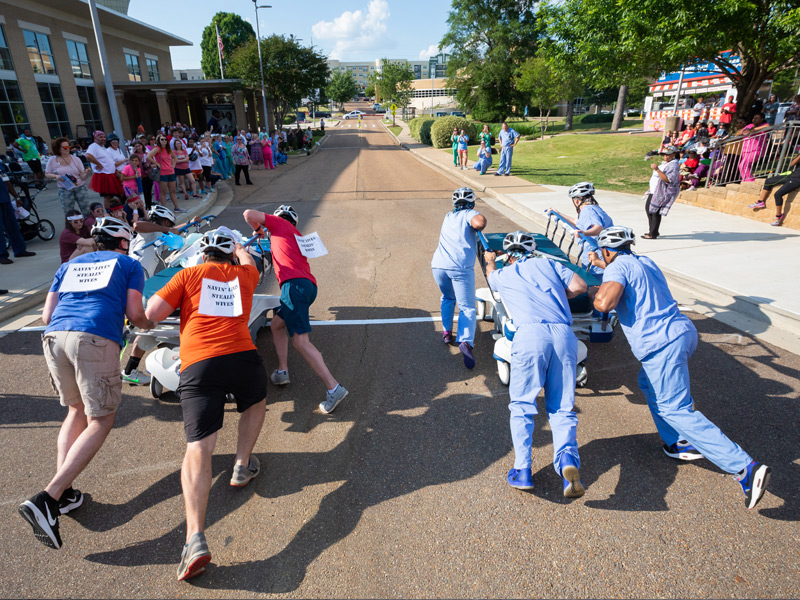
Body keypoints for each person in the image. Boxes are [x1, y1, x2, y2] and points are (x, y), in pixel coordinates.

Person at [592, 226, 771, 509]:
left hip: (661, 344)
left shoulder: (617, 269)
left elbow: (604, 303)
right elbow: (627, 273)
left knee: (675, 408)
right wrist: (606, 266)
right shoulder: (643, 262)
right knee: (648, 383)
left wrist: (600, 282)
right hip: (682, 332)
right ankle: (676, 442)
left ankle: (744, 468)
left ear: (605, 250)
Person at [18, 217, 154, 550]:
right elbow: (135, 313)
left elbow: (46, 316)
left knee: (75, 410)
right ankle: (48, 498)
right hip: (93, 338)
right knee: (101, 420)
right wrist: (148, 322)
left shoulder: (71, 264)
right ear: (124, 242)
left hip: (53, 337)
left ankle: (64, 494)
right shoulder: (128, 264)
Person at [143, 229, 267, 580]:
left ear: (204, 254)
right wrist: (241, 248)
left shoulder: (188, 274)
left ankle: (194, 537)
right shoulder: (246, 275)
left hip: (199, 361)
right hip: (242, 354)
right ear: (229, 255)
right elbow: (249, 260)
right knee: (255, 401)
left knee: (199, 447)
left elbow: (152, 312)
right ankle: (242, 464)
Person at [484, 231, 588, 496]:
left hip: (530, 335)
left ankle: (522, 470)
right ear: (533, 249)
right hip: (563, 336)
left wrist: (490, 261)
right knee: (563, 406)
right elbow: (579, 287)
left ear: (508, 254)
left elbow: (490, 279)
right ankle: (567, 461)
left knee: (522, 404)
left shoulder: (503, 274)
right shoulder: (550, 264)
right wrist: (557, 296)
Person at [243, 205, 349, 413]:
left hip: (294, 287)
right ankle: (283, 370)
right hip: (306, 286)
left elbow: (248, 214)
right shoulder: (295, 234)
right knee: (276, 324)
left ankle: (333, 388)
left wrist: (258, 230)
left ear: (278, 218)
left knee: (301, 342)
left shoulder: (278, 224)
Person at [430, 187, 487, 368]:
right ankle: (466, 341)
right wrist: (477, 217)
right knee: (467, 307)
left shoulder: (449, 216)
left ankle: (447, 332)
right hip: (460, 268)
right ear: (471, 203)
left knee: (447, 298)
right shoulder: (469, 213)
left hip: (439, 265)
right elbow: (479, 223)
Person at [546, 181, 613, 278]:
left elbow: (598, 228)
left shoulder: (587, 210)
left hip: (596, 261)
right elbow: (576, 222)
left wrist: (584, 233)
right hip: (603, 256)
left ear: (577, 200)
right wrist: (558, 213)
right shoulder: (594, 208)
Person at [748, 152, 800, 226]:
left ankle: (778, 216)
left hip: (797, 180)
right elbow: (791, 164)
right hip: (791, 175)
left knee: (778, 194)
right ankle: (761, 201)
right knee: (768, 181)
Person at [45, 137, 92, 216]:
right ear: (58, 149)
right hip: (64, 188)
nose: (68, 149)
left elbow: (82, 177)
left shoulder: (76, 159)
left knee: (86, 209)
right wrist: (57, 177)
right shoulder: (53, 160)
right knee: (68, 211)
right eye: (65, 147)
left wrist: (87, 173)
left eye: (69, 146)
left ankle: (88, 226)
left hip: (79, 187)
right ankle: (71, 227)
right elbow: (47, 174)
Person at [0, 161, 36, 265]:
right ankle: (2, 255)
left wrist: (17, 197)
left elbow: (7, 182)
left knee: (13, 226)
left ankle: (19, 250)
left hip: (5, 200)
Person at [642, 145, 680, 239]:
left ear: (674, 154)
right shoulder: (666, 163)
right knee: (649, 210)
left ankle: (653, 233)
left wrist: (657, 169)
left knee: (654, 212)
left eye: (668, 155)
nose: (665, 156)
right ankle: (652, 231)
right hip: (654, 191)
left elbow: (668, 179)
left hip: (661, 193)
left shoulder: (673, 165)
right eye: (664, 155)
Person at [86, 131, 124, 208]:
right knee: (108, 196)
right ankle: (109, 212)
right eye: (100, 137)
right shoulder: (93, 146)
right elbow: (88, 156)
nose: (103, 139)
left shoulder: (102, 147)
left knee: (116, 195)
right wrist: (98, 164)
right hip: (104, 175)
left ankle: (115, 210)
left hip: (110, 174)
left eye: (104, 137)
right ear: (95, 138)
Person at [147, 134, 183, 212]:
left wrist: (173, 165)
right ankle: (164, 209)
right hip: (162, 173)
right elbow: (148, 156)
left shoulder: (168, 149)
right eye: (162, 139)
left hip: (170, 172)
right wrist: (156, 164)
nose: (164, 141)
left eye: (165, 139)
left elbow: (175, 157)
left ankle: (176, 207)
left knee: (172, 191)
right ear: (159, 141)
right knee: (163, 192)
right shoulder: (157, 148)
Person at [738, 113, 771, 182]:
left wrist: (754, 130)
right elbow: (738, 133)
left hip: (756, 149)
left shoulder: (764, 126)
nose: (754, 119)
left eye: (757, 118)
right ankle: (745, 180)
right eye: (754, 118)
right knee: (744, 166)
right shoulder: (749, 126)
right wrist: (745, 131)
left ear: (762, 119)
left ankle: (750, 181)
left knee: (743, 165)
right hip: (746, 150)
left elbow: (768, 126)